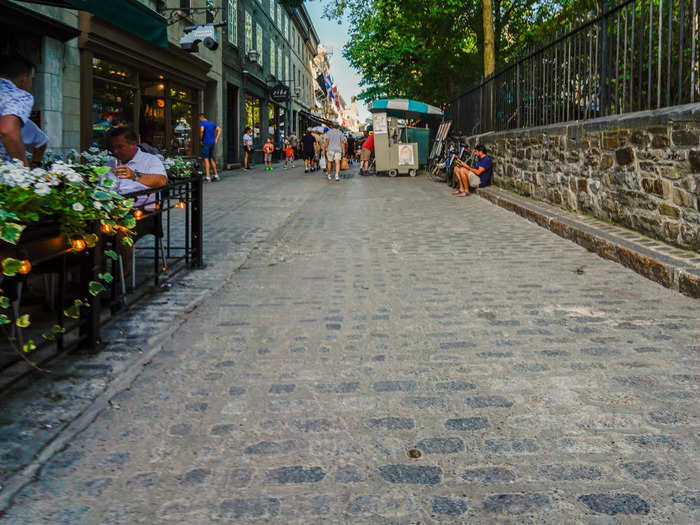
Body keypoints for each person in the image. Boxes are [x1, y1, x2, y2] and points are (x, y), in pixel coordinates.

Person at [0, 55, 36, 165]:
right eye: (32, 79)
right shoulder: (19, 95)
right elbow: (8, 130)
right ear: (24, 78)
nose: (31, 84)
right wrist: (23, 169)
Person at [199, 113, 221, 182]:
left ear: (201, 117)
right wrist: (216, 139)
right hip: (212, 143)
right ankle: (216, 176)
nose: (199, 120)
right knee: (211, 158)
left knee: (206, 160)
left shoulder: (202, 123)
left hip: (206, 143)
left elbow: (202, 130)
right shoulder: (211, 123)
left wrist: (201, 139)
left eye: (199, 119)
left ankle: (208, 177)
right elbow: (219, 130)